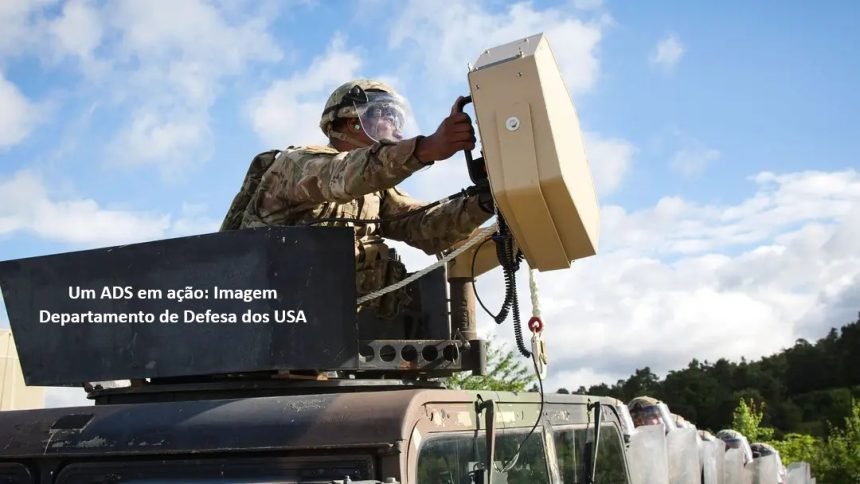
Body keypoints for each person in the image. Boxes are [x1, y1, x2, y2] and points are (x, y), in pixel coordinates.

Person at [220, 79, 494, 318]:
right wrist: (426, 148)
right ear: (353, 121)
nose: (398, 130)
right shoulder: (296, 164)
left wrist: (487, 200)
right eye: (389, 117)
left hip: (343, 327)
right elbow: (342, 176)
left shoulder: (376, 190)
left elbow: (423, 225)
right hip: (276, 321)